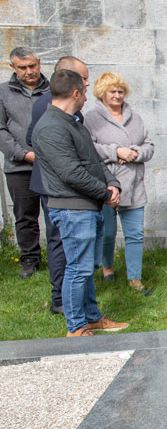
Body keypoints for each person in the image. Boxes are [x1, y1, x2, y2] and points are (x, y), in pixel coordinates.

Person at [31, 70, 128, 336]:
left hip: (88, 206)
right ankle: (75, 327)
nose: (86, 97)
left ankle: (92, 317)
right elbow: (71, 173)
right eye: (84, 92)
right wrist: (105, 193)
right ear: (75, 94)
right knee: (77, 269)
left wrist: (112, 184)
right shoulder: (50, 127)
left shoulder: (73, 123)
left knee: (87, 268)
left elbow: (94, 161)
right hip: (71, 208)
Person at [27, 56, 90, 315]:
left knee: (68, 243)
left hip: (66, 184)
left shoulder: (69, 107)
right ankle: (61, 298)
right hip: (55, 185)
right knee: (59, 241)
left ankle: (72, 295)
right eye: (83, 78)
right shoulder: (49, 105)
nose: (87, 84)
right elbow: (33, 138)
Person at [83, 71, 155, 295]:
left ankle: (135, 279)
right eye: (112, 91)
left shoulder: (135, 117)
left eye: (120, 91)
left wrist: (135, 152)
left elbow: (149, 145)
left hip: (134, 183)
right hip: (106, 183)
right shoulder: (91, 118)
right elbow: (88, 148)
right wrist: (116, 151)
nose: (117, 95)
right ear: (102, 93)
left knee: (135, 234)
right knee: (107, 232)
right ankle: (107, 268)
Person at [0, 47, 49, 279]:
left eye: (32, 66)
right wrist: (24, 154)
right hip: (19, 167)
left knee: (55, 213)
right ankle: (30, 260)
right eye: (22, 68)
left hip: (51, 165)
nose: (29, 71)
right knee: (25, 216)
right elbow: (1, 130)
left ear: (38, 62)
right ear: (13, 67)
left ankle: (59, 256)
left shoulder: (54, 90)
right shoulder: (3, 92)